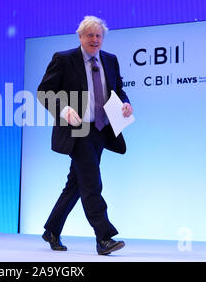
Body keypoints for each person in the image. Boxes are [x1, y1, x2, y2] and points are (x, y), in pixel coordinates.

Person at [37, 15, 133, 255]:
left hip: (100, 130)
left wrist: (125, 103)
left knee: (77, 183)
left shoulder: (110, 60)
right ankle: (104, 237)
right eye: (90, 35)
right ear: (80, 37)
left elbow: (118, 89)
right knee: (91, 180)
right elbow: (44, 91)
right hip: (76, 128)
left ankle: (51, 229)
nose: (95, 39)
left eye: (98, 35)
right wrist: (64, 109)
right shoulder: (64, 59)